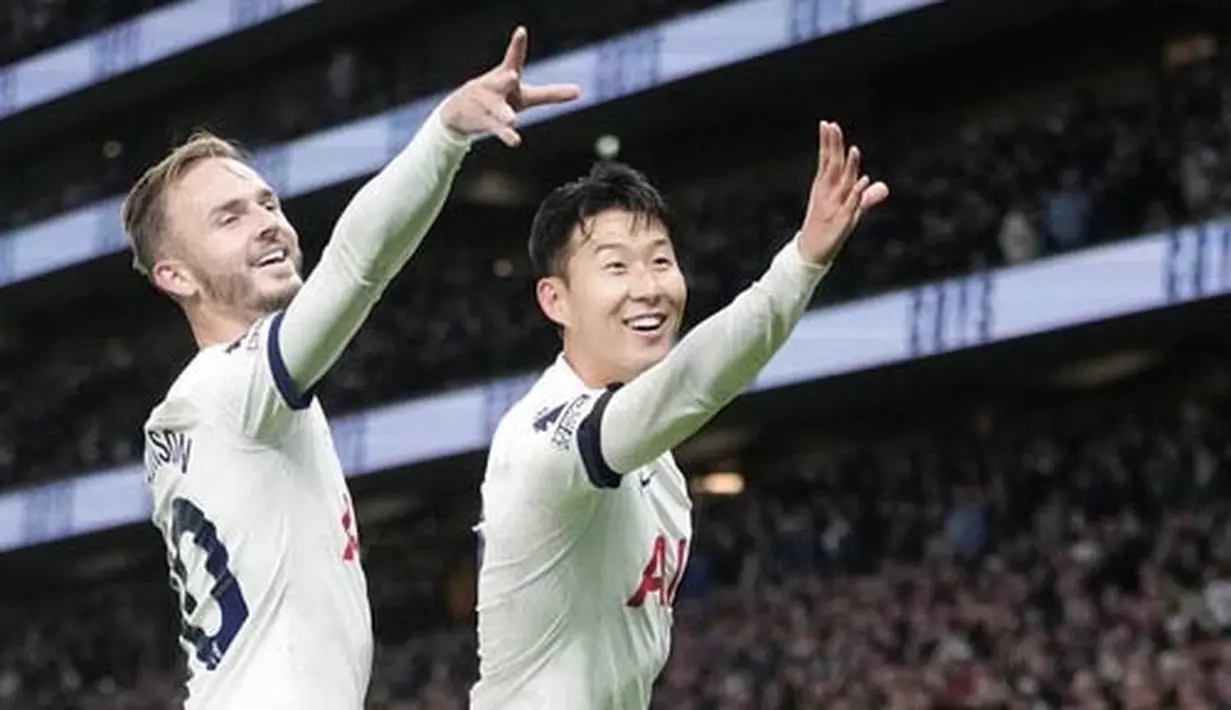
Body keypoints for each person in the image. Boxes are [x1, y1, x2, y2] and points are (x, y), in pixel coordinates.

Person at [126, 27, 578, 710]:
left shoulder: (209, 408)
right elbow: (355, 267)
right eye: (228, 219)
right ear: (175, 275)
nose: (267, 223)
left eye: (268, 204)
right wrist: (446, 133)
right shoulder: (227, 386)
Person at [471, 121, 889, 709]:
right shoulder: (544, 435)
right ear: (555, 300)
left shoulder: (656, 459)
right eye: (616, 267)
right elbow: (690, 381)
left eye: (660, 262)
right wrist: (800, 263)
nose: (648, 288)